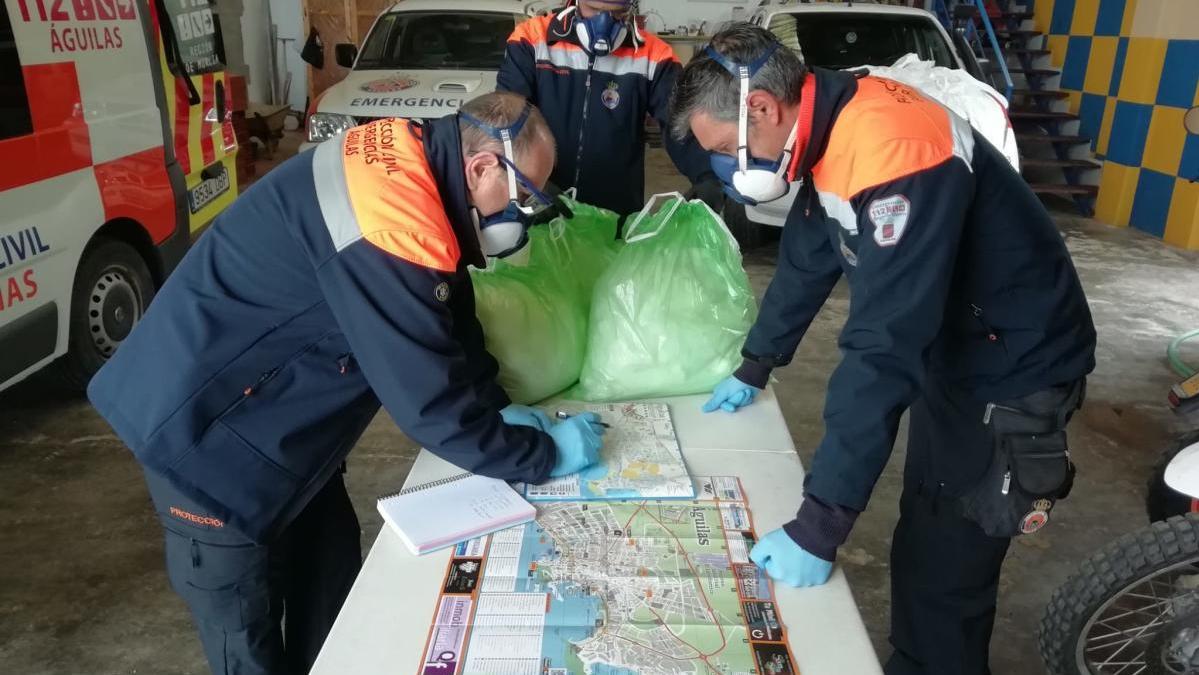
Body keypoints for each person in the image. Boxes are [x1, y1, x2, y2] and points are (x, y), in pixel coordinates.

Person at [87, 92, 607, 675]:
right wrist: (539, 454)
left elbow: (447, 312)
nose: (527, 215)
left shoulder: (419, 164)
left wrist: (495, 408)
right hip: (204, 437)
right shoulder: (389, 215)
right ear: (482, 168)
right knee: (247, 635)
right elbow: (427, 403)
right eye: (527, 198)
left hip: (282, 421)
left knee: (332, 581)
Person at [671, 25, 1096, 675]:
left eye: (729, 150)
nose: (731, 171)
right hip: (960, 347)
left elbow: (882, 349)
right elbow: (809, 256)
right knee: (927, 517)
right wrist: (758, 361)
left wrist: (822, 522)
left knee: (952, 552)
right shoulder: (835, 122)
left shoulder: (896, 150)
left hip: (1014, 366)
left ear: (762, 107)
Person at [497, 0, 723, 218]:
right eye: (594, 10)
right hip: (542, 201)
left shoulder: (654, 56)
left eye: (616, 14)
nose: (604, 22)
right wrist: (530, 184)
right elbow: (508, 119)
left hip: (616, 210)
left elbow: (680, 122)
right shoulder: (531, 40)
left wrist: (707, 175)